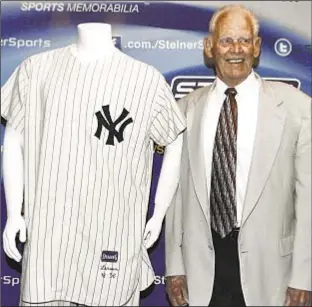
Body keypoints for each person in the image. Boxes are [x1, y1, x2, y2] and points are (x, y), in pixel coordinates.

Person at [1, 22, 185, 306]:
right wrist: (15, 212)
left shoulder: (144, 79)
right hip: (49, 235)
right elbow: (13, 138)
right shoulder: (35, 69)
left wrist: (158, 213)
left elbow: (174, 139)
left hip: (112, 232)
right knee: (44, 292)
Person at [165, 4, 311, 306]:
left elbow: (308, 199)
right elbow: (176, 197)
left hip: (272, 272)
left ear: (256, 47)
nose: (236, 50)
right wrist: (174, 267)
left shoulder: (298, 109)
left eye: (244, 40)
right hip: (201, 271)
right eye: (226, 40)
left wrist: (303, 276)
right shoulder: (184, 110)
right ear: (209, 47)